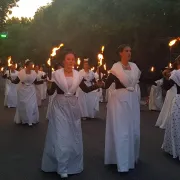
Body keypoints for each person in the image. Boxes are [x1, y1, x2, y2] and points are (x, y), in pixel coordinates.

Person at [41, 51, 101, 178]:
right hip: (59, 107)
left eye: (72, 59)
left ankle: (71, 162)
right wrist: (48, 85)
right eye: (68, 59)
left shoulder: (78, 75)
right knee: (61, 135)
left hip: (73, 107)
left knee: (72, 135)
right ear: (64, 61)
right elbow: (51, 92)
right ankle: (62, 166)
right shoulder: (56, 74)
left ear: (75, 61)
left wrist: (97, 85)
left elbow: (86, 89)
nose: (70, 61)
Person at [103, 44, 141, 172]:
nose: (129, 53)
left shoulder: (135, 67)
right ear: (120, 53)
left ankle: (132, 157)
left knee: (133, 130)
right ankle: (122, 162)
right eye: (126, 51)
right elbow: (107, 84)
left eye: (130, 50)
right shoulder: (116, 68)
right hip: (119, 102)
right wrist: (100, 83)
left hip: (132, 101)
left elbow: (142, 79)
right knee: (122, 131)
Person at [11, 59, 43, 126]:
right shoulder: (21, 72)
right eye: (31, 64)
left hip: (31, 91)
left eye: (32, 64)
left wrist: (44, 81)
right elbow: (16, 81)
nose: (32, 66)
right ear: (27, 66)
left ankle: (30, 120)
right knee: (24, 105)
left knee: (31, 105)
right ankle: (24, 119)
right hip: (22, 90)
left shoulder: (33, 73)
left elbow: (36, 82)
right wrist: (11, 80)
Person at [162, 67, 180, 160]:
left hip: (178, 100)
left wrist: (165, 77)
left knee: (175, 124)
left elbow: (166, 86)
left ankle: (175, 148)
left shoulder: (176, 74)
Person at [155, 63, 179, 129]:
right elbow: (168, 84)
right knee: (170, 106)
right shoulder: (174, 73)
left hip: (173, 91)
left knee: (170, 106)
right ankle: (169, 121)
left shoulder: (174, 73)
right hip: (173, 91)